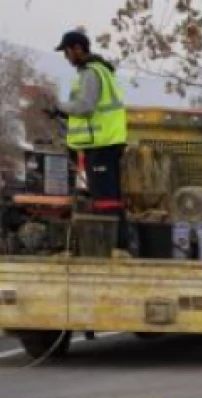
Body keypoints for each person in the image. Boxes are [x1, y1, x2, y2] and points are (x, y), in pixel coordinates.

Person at [54, 29, 128, 251]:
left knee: (105, 199)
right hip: (105, 143)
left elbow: (85, 107)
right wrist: (62, 113)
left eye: (67, 52)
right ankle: (119, 246)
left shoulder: (90, 72)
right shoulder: (101, 70)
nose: (66, 57)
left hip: (102, 144)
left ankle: (111, 247)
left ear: (77, 48)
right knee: (111, 197)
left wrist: (58, 105)